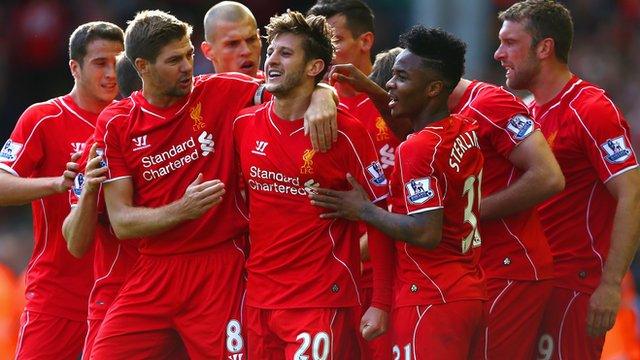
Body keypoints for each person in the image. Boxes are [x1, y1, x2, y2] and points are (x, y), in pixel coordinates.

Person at [89, 10, 336, 359]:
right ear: (142, 66)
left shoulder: (223, 90)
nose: (188, 66)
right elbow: (122, 222)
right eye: (174, 60)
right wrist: (183, 209)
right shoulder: (116, 123)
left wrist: (324, 93)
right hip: (154, 269)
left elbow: (291, 86)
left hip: (221, 266)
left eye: (189, 55)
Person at [311, 26, 486, 359]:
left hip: (430, 296)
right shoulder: (462, 128)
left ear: (434, 88)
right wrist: (369, 87)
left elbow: (425, 232)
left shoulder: (416, 149)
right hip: (467, 290)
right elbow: (413, 125)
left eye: (402, 78)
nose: (391, 84)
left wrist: (364, 209)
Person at [233, 10, 393, 359]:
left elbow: (382, 215)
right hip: (259, 299)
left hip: (320, 298)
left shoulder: (347, 132)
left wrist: (380, 302)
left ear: (314, 67)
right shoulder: (243, 124)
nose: (271, 60)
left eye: (286, 54)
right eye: (271, 51)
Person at [494, 1, 640, 359]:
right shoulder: (525, 112)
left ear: (545, 48)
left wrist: (609, 285)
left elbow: (632, 194)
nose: (498, 53)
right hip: (527, 281)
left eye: (511, 43)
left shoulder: (591, 108)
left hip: (571, 285)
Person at [0, 22, 123, 360]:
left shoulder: (134, 118)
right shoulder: (44, 117)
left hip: (122, 299)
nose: (112, 72)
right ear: (74, 67)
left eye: (118, 61)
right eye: (100, 63)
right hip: (58, 299)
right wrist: (57, 184)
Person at [307, 3, 399, 357]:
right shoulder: (308, 109)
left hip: (386, 273)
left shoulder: (396, 104)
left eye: (335, 40)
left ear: (366, 41)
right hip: (329, 275)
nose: (327, 53)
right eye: (320, 43)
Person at [201, 1, 262, 77]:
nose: (246, 51)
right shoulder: (199, 89)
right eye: (233, 44)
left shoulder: (278, 86)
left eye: (252, 39)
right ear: (208, 51)